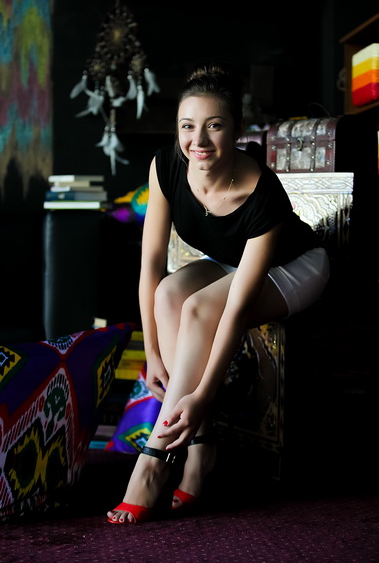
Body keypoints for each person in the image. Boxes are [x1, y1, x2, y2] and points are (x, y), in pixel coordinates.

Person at [107, 61, 330, 524]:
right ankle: (203, 447)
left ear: (237, 129)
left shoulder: (262, 192)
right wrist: (151, 352)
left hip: (295, 264)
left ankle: (153, 460)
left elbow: (232, 311)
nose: (199, 141)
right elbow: (151, 266)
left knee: (198, 308)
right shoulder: (167, 166)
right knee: (170, 294)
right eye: (188, 126)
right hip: (233, 259)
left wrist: (204, 393)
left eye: (215, 126)